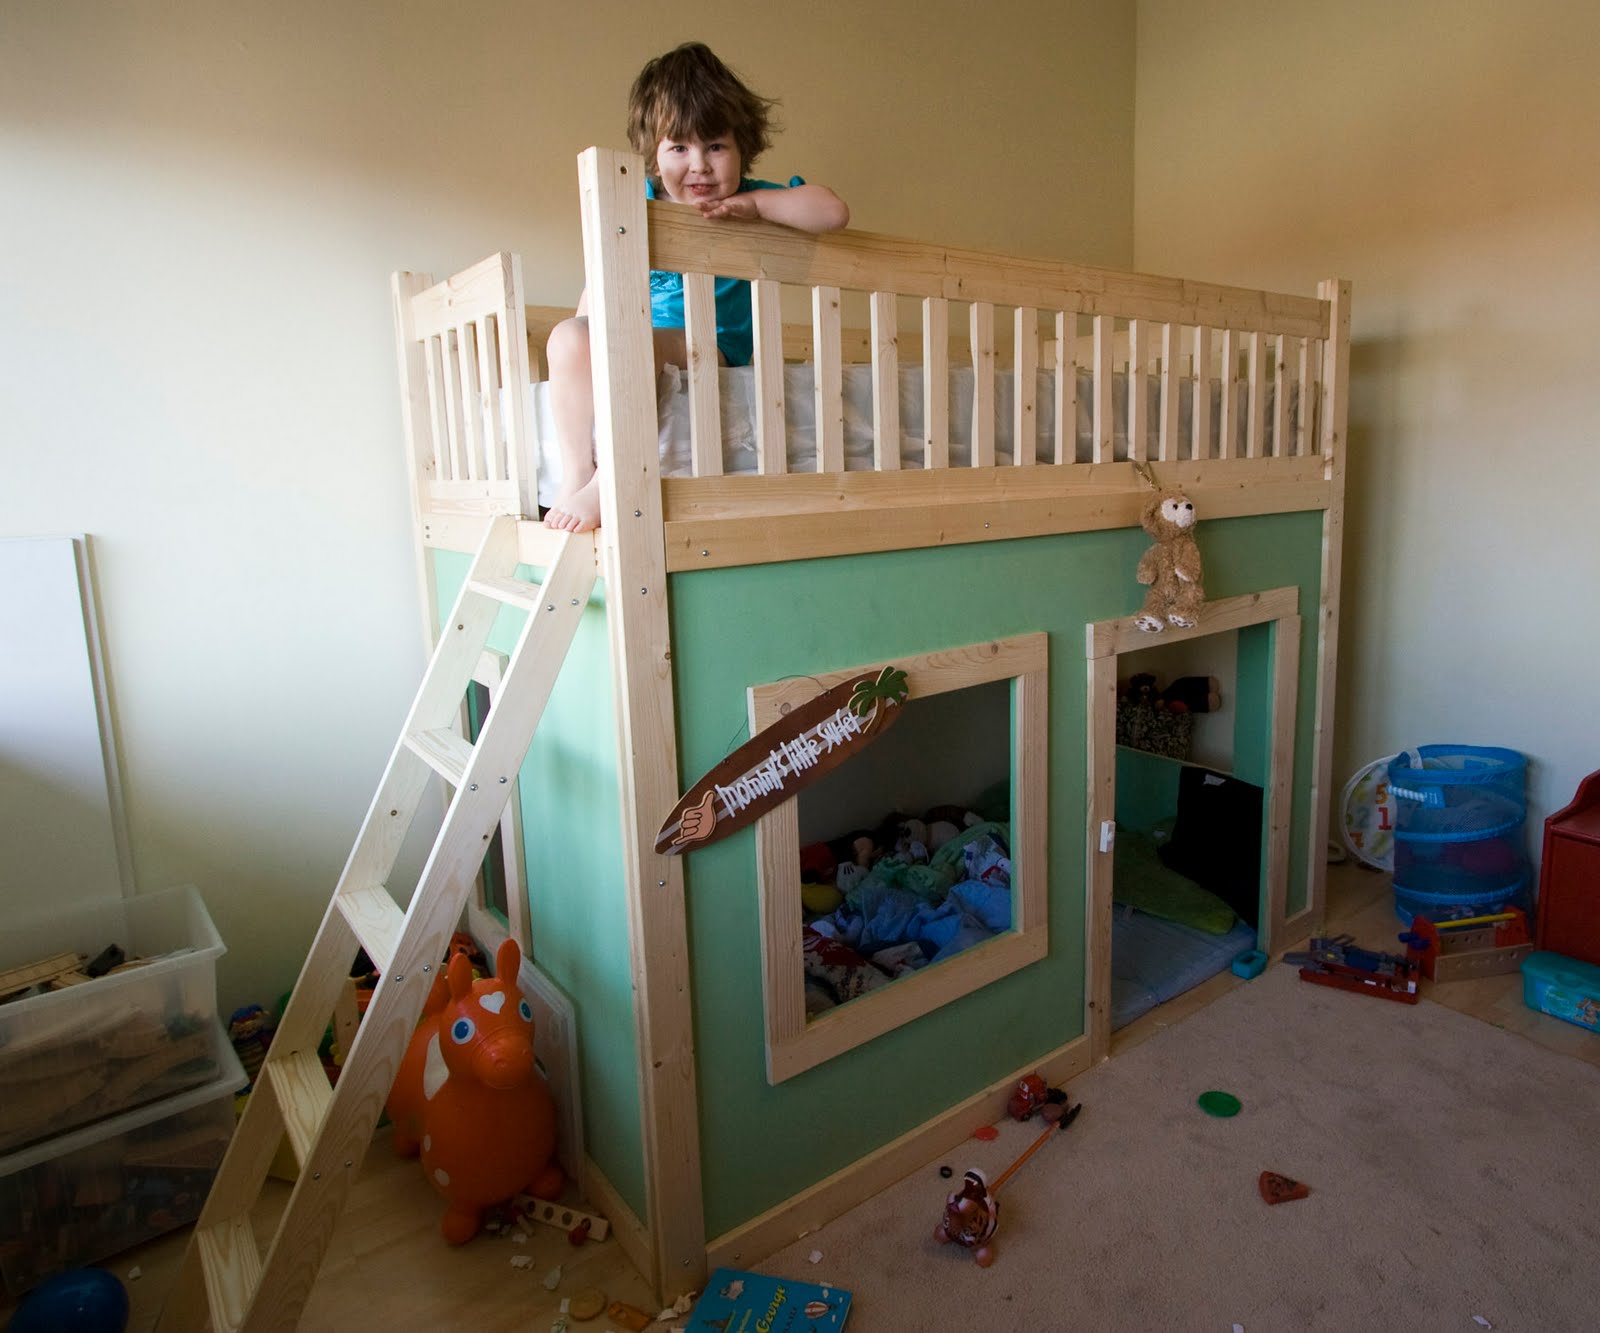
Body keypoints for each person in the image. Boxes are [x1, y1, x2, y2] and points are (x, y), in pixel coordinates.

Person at [542, 42, 849, 532]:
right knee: (568, 335)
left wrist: (759, 209)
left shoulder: (749, 200)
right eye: (679, 148)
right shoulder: (635, 205)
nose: (700, 165)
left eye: (716, 146)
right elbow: (599, 284)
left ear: (742, 147)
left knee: (633, 343)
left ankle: (615, 477)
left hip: (713, 343)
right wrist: (585, 336)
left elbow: (832, 212)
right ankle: (579, 469)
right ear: (652, 153)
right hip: (642, 335)